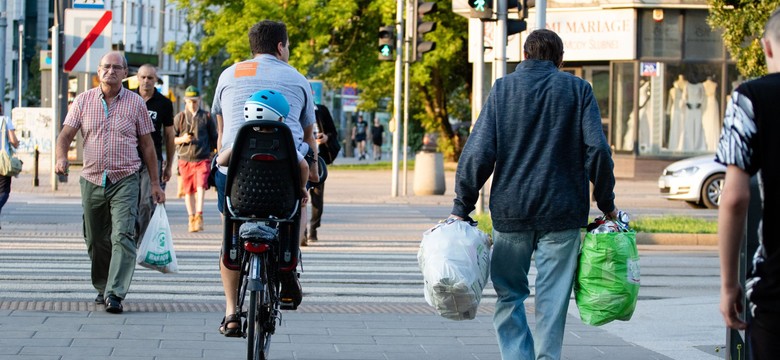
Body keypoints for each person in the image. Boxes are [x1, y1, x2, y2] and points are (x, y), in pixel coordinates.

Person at [448, 29, 619, 360]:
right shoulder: (578, 89)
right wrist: (606, 204)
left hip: (511, 213)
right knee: (553, 300)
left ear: (524, 56)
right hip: (563, 212)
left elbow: (478, 152)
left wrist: (462, 205)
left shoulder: (503, 89)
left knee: (509, 295)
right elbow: (597, 148)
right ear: (560, 61)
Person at [211, 20, 318, 336]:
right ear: (281, 46)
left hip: (236, 177)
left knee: (230, 236)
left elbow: (220, 131)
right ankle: (288, 263)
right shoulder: (298, 79)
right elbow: (309, 136)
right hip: (284, 176)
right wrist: (309, 176)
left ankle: (231, 312)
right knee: (297, 205)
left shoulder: (229, 74)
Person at [55, 51, 165, 314]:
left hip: (125, 178)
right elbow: (65, 136)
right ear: (98, 71)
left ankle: (115, 293)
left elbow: (148, 146)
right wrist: (60, 157)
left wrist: (155, 183)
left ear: (125, 73)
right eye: (106, 66)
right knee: (95, 239)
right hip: (92, 179)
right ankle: (103, 286)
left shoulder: (136, 103)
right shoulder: (83, 101)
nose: (111, 71)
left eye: (117, 67)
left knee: (123, 234)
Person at [717, 8, 780, 359]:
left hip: (775, 289)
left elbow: (735, 198)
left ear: (766, 48)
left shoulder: (751, 97)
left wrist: (730, 285)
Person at [217, 89, 309, 202]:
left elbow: (220, 161)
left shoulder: (243, 141)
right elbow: (304, 167)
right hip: (279, 201)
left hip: (244, 199)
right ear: (280, 119)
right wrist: (302, 187)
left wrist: (233, 148)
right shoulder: (284, 143)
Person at [134, 64, 175, 241]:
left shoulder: (164, 103)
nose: (146, 81)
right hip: (128, 157)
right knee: (129, 201)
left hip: (152, 158)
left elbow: (169, 135)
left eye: (150, 78)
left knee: (146, 202)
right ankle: (129, 237)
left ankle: (140, 240)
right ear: (137, 78)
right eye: (143, 77)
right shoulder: (128, 97)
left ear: (156, 80)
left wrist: (169, 165)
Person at [174, 86, 217, 232]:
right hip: (185, 159)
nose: (192, 104)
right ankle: (191, 218)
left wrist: (213, 153)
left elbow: (214, 137)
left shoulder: (206, 116)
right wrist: (182, 139)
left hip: (202, 158)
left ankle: (199, 216)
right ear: (185, 100)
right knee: (188, 191)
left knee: (201, 186)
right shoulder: (180, 117)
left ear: (199, 100)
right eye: (190, 101)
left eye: (195, 101)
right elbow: (171, 139)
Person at [307, 102, 338, 244]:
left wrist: (326, 137)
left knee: (317, 197)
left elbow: (333, 131)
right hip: (299, 157)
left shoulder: (321, 110)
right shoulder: (294, 107)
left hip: (318, 160)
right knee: (297, 197)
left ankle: (313, 229)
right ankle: (301, 232)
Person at [0, 103, 20, 230]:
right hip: (2, 161)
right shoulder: (5, 120)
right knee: (4, 191)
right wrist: (16, 143)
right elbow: (13, 140)